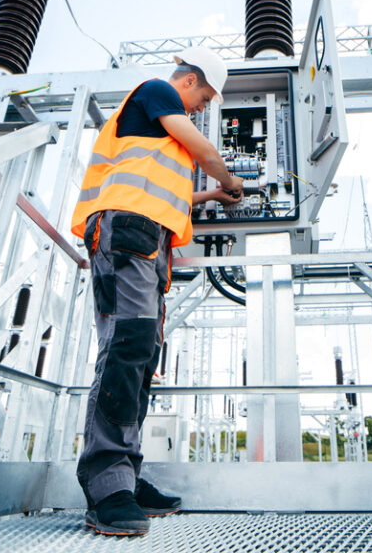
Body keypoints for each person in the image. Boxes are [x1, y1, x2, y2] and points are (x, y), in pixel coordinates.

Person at [70, 46, 243, 537]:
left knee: (143, 355)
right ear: (189, 81)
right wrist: (229, 181)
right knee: (127, 347)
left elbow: (167, 190)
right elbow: (208, 154)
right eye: (205, 97)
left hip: (147, 239)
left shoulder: (159, 134)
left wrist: (209, 195)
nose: (203, 108)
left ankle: (126, 474)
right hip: (125, 231)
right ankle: (106, 486)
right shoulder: (158, 91)